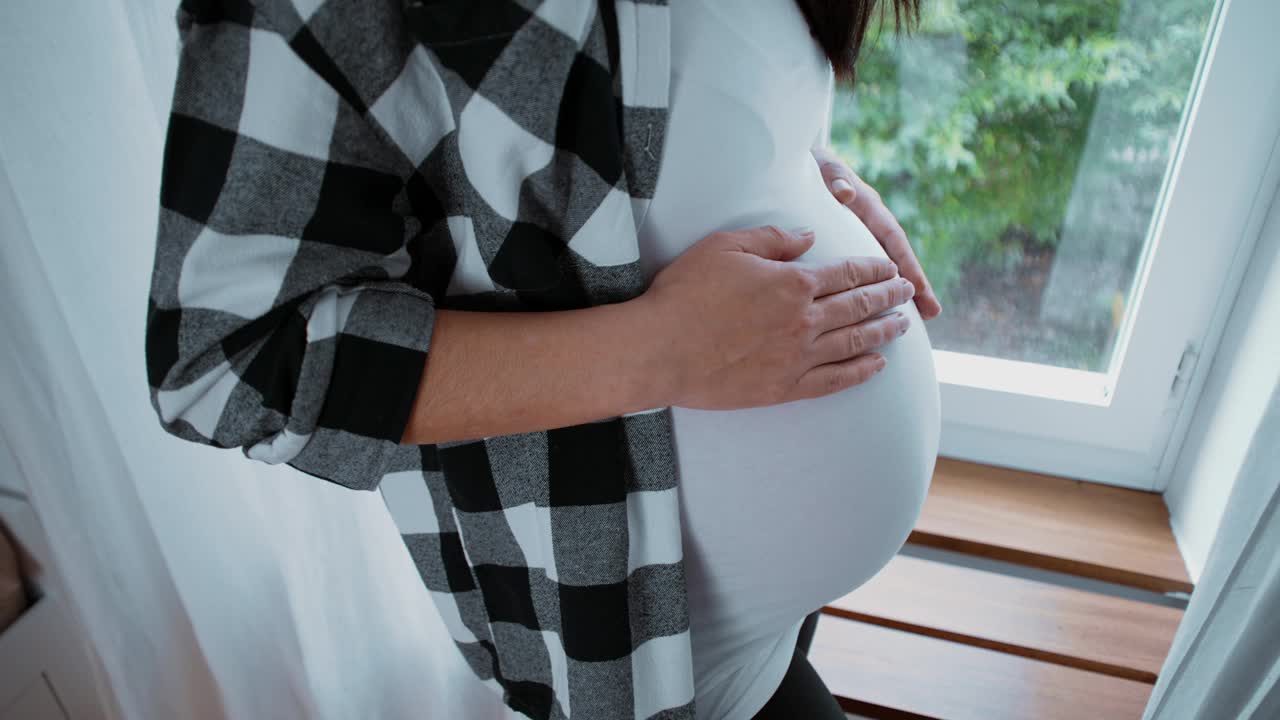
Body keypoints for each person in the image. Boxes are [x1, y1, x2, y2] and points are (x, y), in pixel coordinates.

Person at [144, 0, 939, 718]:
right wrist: (659, 351)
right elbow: (228, 365)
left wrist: (809, 177)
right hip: (651, 636)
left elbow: (687, 96)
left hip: (777, 582)